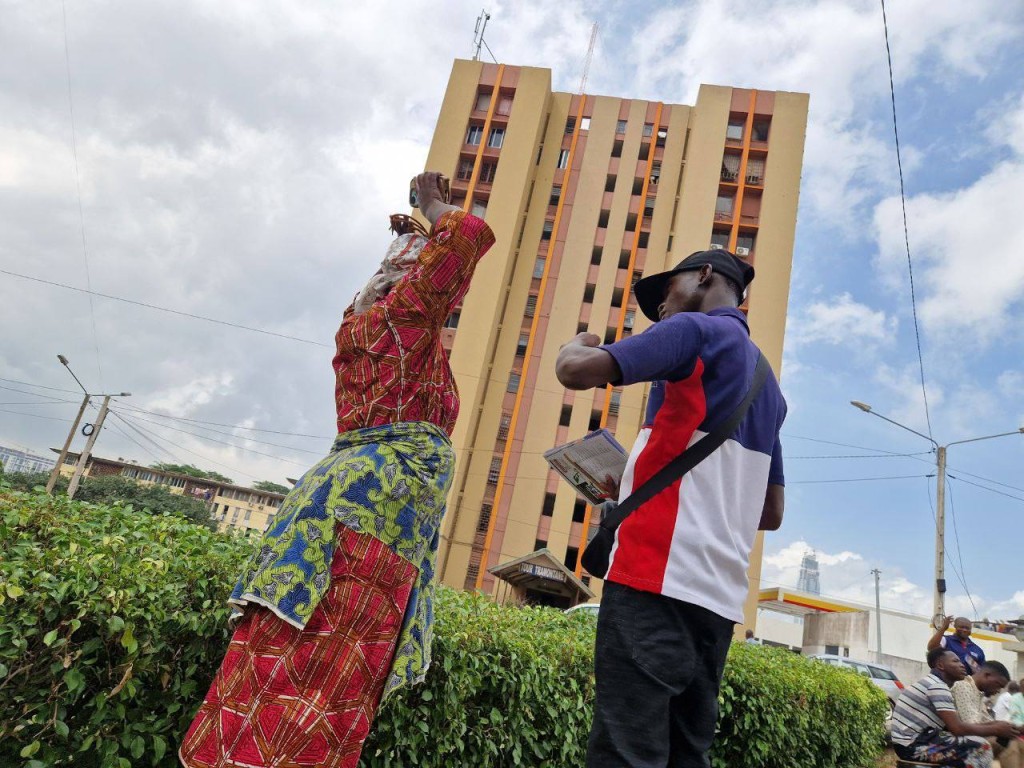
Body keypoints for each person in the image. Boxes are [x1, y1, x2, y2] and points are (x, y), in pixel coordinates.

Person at [179, 172, 495, 767]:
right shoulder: (401, 320)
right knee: (328, 664)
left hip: (357, 509)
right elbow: (466, 236)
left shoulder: (360, 327)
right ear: (405, 284)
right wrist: (435, 207)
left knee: (291, 658)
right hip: (370, 521)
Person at [555, 249, 787, 767]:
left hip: (654, 579)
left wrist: (578, 343)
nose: (661, 308)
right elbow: (770, 512)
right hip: (718, 603)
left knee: (626, 753)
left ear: (704, 275)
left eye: (666, 291)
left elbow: (575, 371)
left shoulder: (695, 331)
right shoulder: (768, 386)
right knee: (686, 754)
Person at [890, 648, 1019, 767]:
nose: (962, 664)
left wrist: (998, 726)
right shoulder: (937, 686)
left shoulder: (936, 684)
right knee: (981, 746)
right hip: (911, 746)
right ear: (941, 665)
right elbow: (957, 728)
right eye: (955, 661)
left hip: (915, 742)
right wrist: (996, 729)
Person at [951, 661, 1022, 768]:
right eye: (998, 685)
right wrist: (997, 729)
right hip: (958, 740)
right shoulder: (963, 686)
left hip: (974, 738)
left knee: (1020, 744)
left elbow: (988, 721)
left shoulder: (978, 693)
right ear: (987, 675)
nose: (998, 691)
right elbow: (970, 725)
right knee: (1009, 743)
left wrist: (1011, 727)